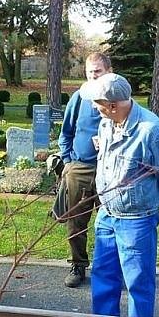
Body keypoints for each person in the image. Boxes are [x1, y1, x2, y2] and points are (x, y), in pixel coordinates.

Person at [80, 73, 159, 317]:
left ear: (113, 105)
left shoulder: (151, 131)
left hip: (136, 220)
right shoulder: (106, 123)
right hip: (106, 215)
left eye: (98, 103)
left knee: (138, 285)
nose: (94, 107)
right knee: (103, 279)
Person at [56, 52, 112, 288]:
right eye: (89, 72)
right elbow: (66, 133)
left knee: (110, 222)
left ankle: (108, 270)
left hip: (110, 171)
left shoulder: (118, 97)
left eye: (97, 71)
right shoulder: (79, 97)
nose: (92, 76)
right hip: (79, 168)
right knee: (76, 221)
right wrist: (68, 162)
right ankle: (78, 265)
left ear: (109, 71)